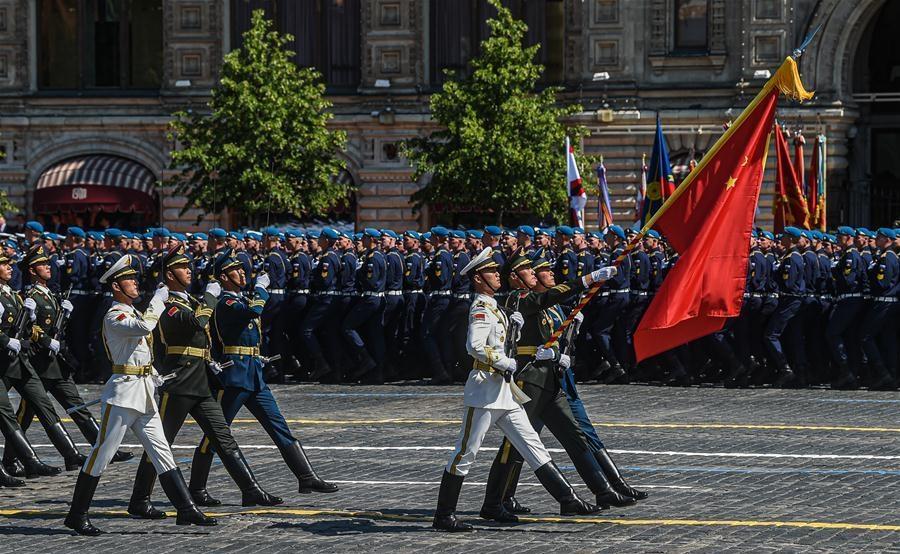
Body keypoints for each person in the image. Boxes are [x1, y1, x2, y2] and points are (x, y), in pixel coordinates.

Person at [432, 247, 599, 533]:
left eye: (497, 271)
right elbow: (474, 346)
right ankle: (444, 514)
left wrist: (514, 331)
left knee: (531, 444)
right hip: (484, 390)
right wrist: (504, 360)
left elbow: (500, 341)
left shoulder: (495, 305)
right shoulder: (481, 307)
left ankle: (567, 498)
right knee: (466, 452)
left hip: (504, 391)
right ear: (477, 279)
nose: (497, 275)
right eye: (491, 272)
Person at [65, 254, 215, 536]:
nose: (135, 283)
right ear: (116, 287)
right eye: (129, 280)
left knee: (162, 451)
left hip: (143, 391)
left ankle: (186, 510)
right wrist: (159, 300)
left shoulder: (133, 312)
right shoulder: (115, 315)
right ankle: (77, 514)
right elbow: (145, 327)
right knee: (102, 454)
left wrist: (153, 373)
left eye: (134, 278)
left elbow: (139, 350)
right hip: (122, 395)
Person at [127, 244, 282, 519]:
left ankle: (251, 489)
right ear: (169, 274)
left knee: (223, 437)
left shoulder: (189, 301)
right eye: (182, 267)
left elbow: (204, 334)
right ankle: (140, 498)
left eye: (189, 266)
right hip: (179, 384)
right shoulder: (168, 305)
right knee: (160, 443)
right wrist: (210, 298)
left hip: (199, 382)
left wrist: (210, 359)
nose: (189, 271)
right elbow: (196, 323)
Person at [188, 250, 338, 504]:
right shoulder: (225, 302)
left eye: (243, 269)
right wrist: (261, 289)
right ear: (224, 277)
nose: (243, 273)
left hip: (254, 376)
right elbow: (254, 311)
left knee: (278, 425)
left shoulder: (239, 299)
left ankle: (306, 476)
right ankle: (197, 489)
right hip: (234, 377)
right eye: (237, 270)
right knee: (215, 434)